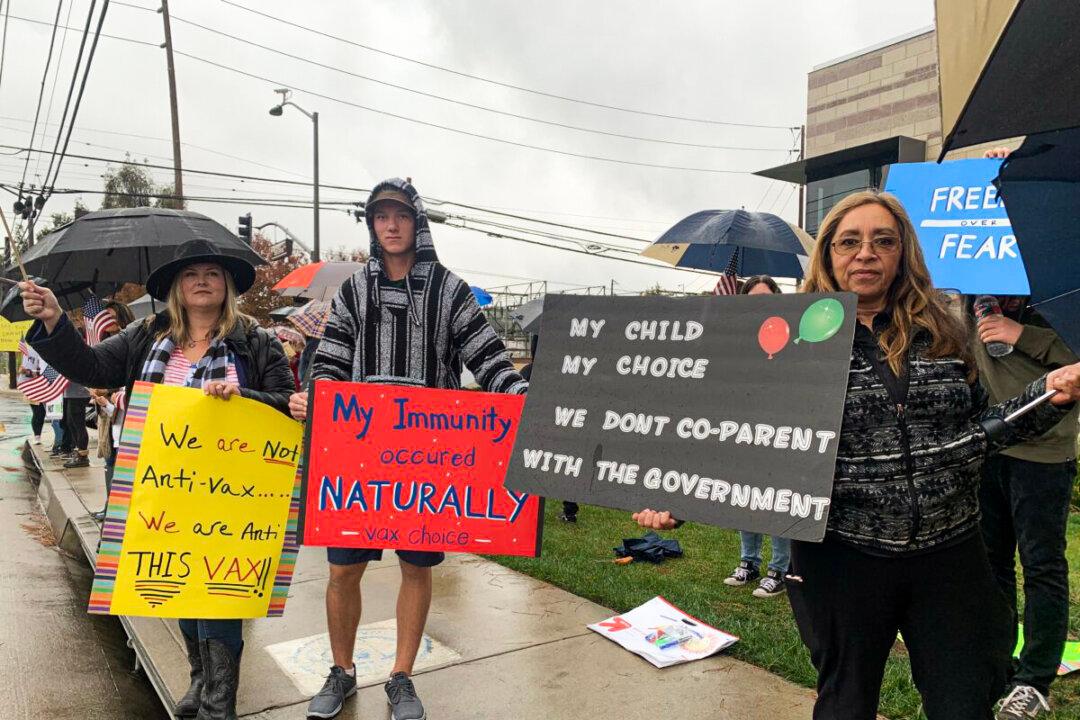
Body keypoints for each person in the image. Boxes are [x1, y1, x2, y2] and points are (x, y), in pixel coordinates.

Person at [634, 191, 1080, 720]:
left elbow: (982, 430)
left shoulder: (945, 333)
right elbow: (747, 441)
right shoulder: (793, 338)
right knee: (845, 703)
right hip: (841, 556)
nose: (866, 253)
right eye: (850, 241)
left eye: (882, 241)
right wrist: (678, 500)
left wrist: (1049, 392)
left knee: (965, 704)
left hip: (951, 554)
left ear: (902, 253)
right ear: (828, 255)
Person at [20, 239, 295, 720]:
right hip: (162, 488)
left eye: (212, 273)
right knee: (178, 587)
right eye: (191, 275)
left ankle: (218, 702)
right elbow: (91, 366)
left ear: (227, 284)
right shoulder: (147, 336)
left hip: (233, 492)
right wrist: (52, 322)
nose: (202, 281)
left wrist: (241, 394)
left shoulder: (255, 339)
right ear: (176, 288)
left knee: (221, 596)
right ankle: (198, 677)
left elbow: (286, 407)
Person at [288, 178, 527, 720]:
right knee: (343, 570)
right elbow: (329, 360)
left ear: (418, 222)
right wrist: (316, 399)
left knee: (416, 569)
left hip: (428, 459)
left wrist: (523, 399)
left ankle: (401, 677)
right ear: (371, 226)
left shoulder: (450, 290)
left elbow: (488, 359)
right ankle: (342, 671)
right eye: (380, 217)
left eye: (400, 215)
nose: (391, 225)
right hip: (356, 457)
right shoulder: (352, 291)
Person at [970, 147, 1080, 720]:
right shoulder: (971, 278)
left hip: (1045, 450)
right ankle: (996, 661)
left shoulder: (1060, 269)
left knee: (1041, 564)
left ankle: (1035, 679)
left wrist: (1022, 333)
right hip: (990, 444)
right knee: (990, 561)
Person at [722, 274, 791, 598]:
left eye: (765, 297)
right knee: (746, 498)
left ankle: (779, 569)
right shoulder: (738, 342)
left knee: (776, 501)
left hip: (779, 431)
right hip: (744, 431)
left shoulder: (793, 339)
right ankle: (748, 562)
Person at [89, 300, 136, 522]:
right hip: (109, 415)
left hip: (126, 414)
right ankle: (110, 508)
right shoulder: (103, 344)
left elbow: (129, 381)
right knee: (110, 463)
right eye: (104, 316)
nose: (108, 321)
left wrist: (108, 391)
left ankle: (116, 512)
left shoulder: (134, 341)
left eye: (113, 316)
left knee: (122, 469)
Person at [18, 344, 46, 444]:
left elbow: (46, 371)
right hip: (33, 386)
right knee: (39, 412)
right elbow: (24, 369)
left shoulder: (49, 350)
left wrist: (29, 372)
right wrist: (26, 372)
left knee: (48, 413)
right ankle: (37, 436)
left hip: (47, 385)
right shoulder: (29, 350)